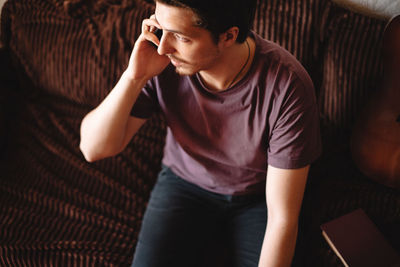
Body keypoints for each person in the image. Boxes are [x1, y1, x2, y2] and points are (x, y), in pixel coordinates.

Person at [79, 0, 322, 266]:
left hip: (256, 197)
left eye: (181, 38)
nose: (163, 47)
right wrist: (134, 76)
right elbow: (92, 149)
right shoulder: (161, 61)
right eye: (161, 28)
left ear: (228, 36)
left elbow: (282, 218)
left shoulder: (288, 87)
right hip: (183, 183)